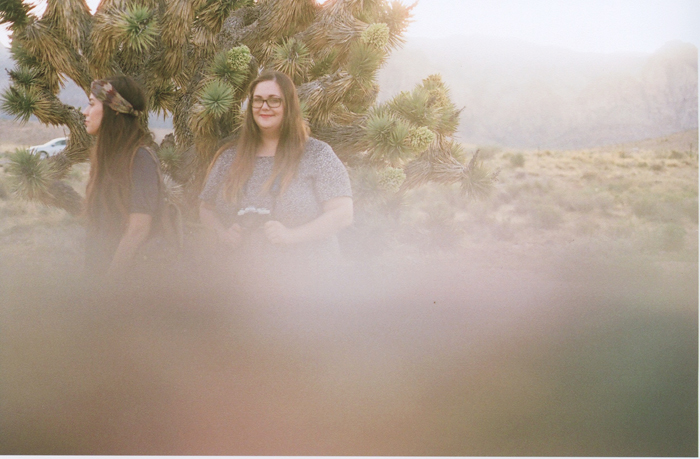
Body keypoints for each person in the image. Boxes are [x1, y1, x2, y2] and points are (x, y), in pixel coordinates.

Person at [199, 70, 353, 272]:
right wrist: (222, 234)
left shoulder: (317, 154)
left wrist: (292, 236)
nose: (264, 107)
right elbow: (205, 207)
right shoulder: (229, 157)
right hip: (241, 284)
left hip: (308, 284)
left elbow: (343, 213)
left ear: (289, 106)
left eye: (274, 100)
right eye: (258, 100)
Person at [82, 75, 162, 279]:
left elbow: (138, 229)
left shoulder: (140, 158)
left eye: (92, 104)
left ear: (114, 109)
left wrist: (110, 283)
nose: (85, 112)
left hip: (128, 285)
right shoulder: (109, 158)